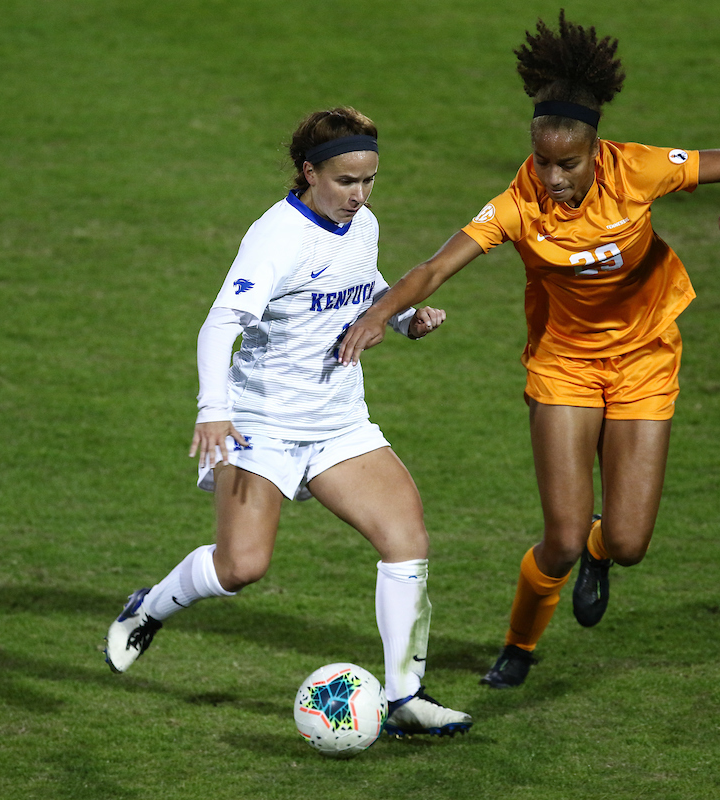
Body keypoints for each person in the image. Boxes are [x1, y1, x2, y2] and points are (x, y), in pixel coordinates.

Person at [337, 13, 720, 689]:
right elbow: (434, 268)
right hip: (564, 365)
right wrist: (378, 315)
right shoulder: (519, 204)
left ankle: (604, 548)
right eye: (542, 161)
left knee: (626, 543)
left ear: (596, 151)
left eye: (567, 164)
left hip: (645, 359)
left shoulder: (639, 169)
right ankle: (519, 644)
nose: (552, 176)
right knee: (562, 539)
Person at [105, 108, 472, 736]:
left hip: (338, 422)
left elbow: (364, 283)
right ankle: (149, 607)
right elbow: (220, 325)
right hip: (263, 423)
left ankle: (405, 698)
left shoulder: (362, 224)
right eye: (346, 181)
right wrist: (214, 411)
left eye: (369, 180)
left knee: (406, 540)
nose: (359, 195)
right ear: (310, 172)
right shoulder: (276, 238)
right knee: (241, 567)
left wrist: (403, 319)